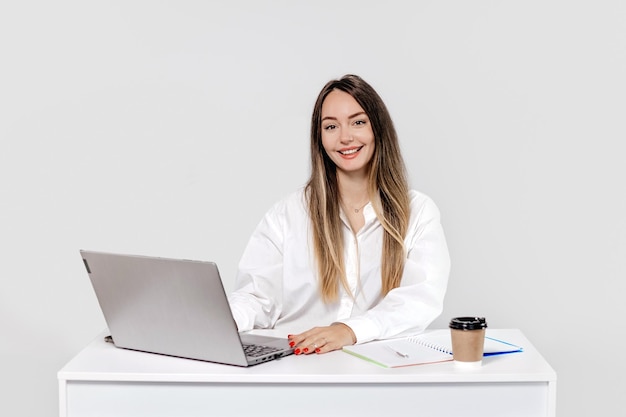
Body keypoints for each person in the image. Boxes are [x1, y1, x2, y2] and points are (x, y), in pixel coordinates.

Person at [228, 74, 450, 355]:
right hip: (294, 366)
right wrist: (220, 321)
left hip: (377, 371)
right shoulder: (288, 214)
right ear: (319, 138)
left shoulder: (418, 212)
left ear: (378, 129)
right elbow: (257, 297)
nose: (345, 137)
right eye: (331, 126)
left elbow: (419, 300)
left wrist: (349, 331)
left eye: (358, 122)